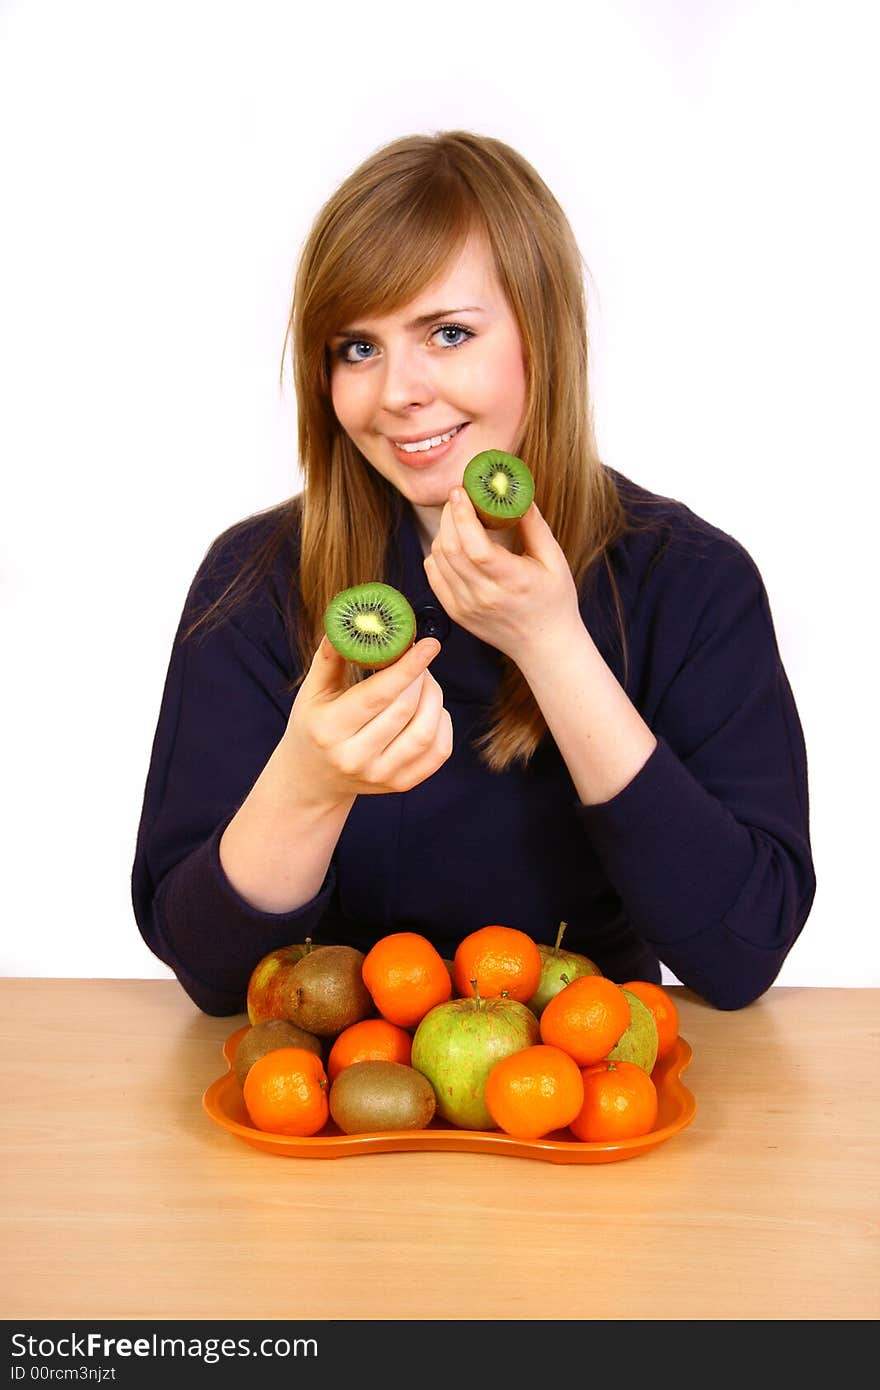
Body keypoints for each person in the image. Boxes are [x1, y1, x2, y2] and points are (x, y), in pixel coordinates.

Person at [131, 130, 815, 1017]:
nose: (397, 392)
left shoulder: (691, 580)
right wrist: (309, 779)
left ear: (544, 332)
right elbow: (209, 972)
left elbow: (741, 950)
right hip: (337, 1095)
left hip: (579, 1090)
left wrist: (553, 644)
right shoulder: (254, 579)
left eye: (447, 333)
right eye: (357, 348)